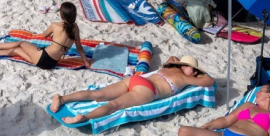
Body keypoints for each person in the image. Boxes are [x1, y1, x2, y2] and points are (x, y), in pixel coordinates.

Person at [51, 55, 214, 123]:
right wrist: (196, 76)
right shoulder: (184, 77)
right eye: (193, 68)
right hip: (149, 89)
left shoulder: (169, 67)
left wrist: (180, 64)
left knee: (98, 94)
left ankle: (63, 98)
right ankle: (84, 117)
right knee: (114, 105)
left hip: (136, 80)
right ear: (184, 66)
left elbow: (173, 58)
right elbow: (209, 81)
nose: (194, 72)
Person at [0, 2, 89, 70]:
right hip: (51, 64)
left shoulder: (56, 25)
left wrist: (52, 36)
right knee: (16, 51)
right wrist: (86, 61)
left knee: (22, 43)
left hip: (43, 57)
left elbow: (44, 35)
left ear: (61, 14)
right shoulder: (76, 29)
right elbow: (79, 48)